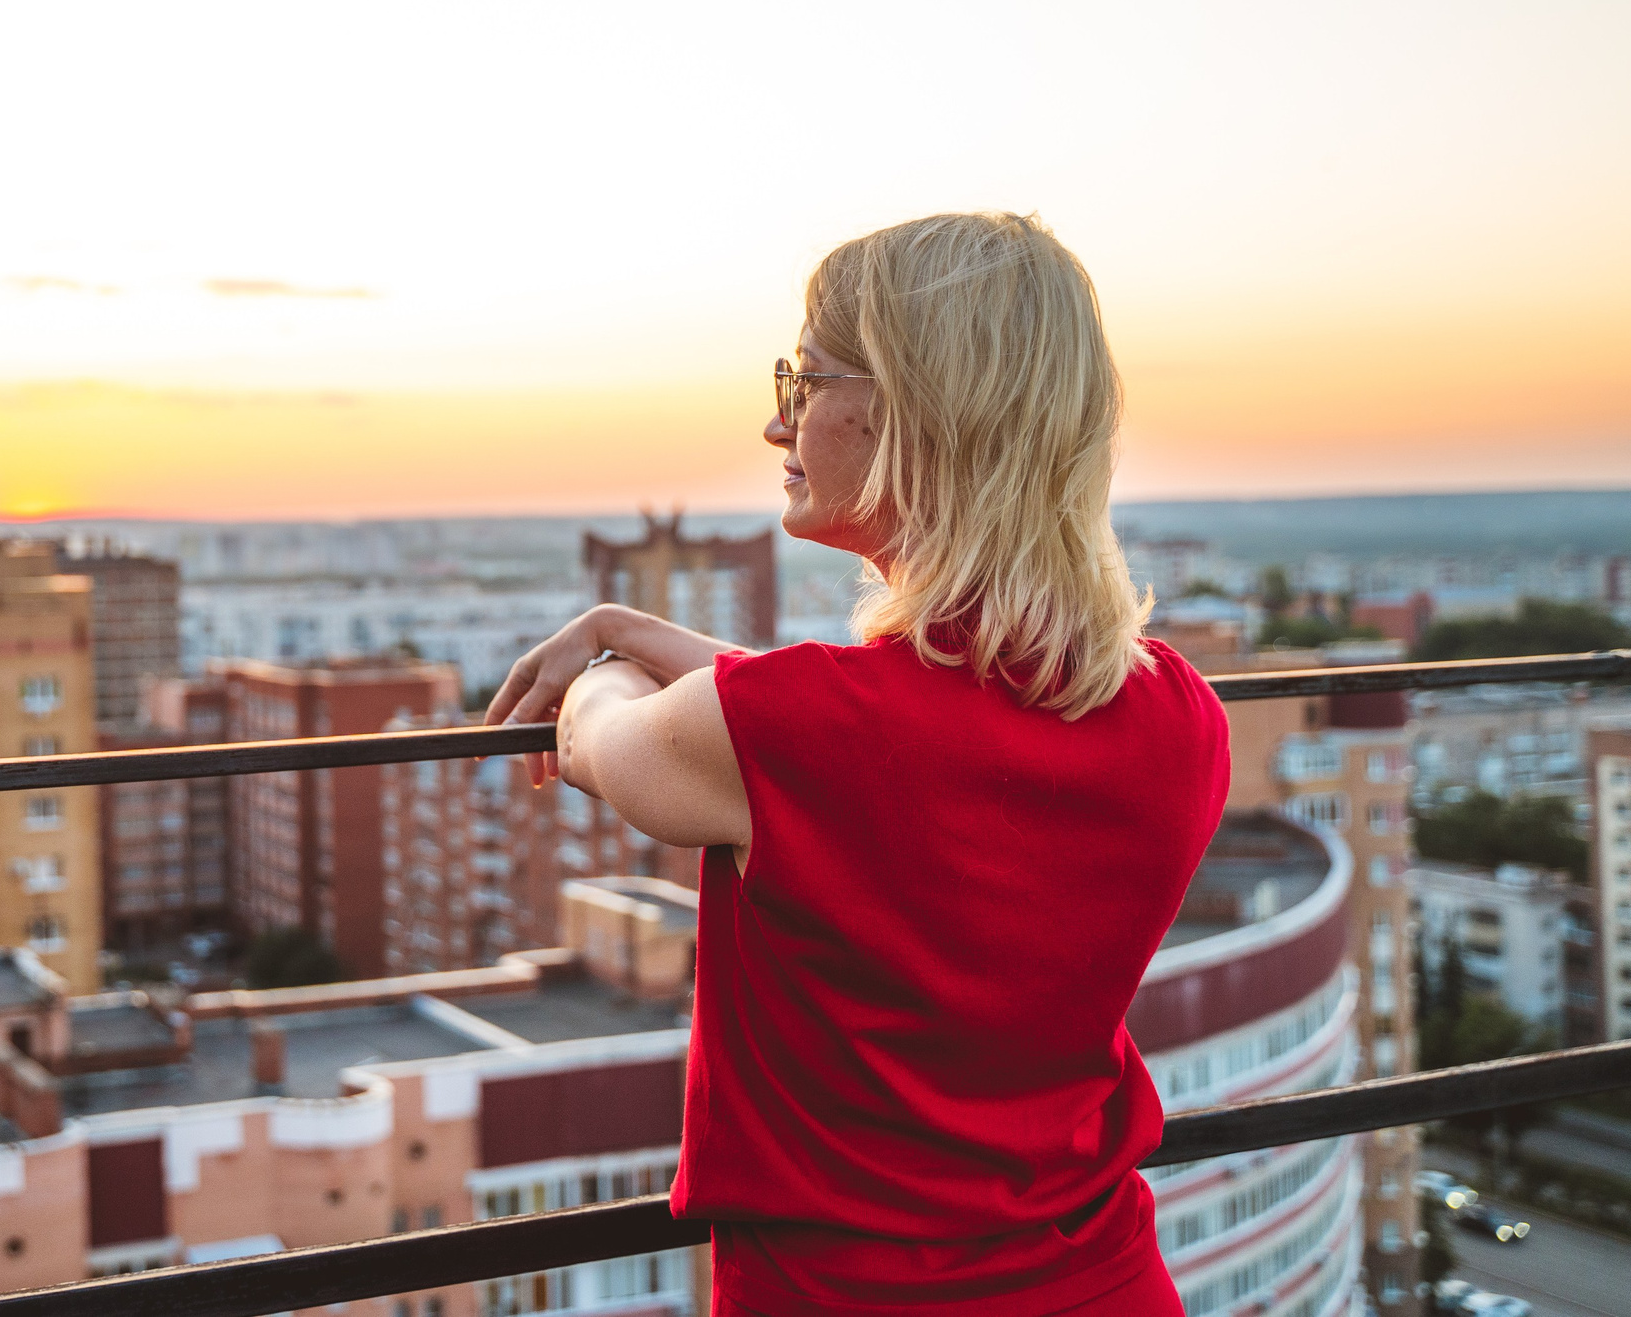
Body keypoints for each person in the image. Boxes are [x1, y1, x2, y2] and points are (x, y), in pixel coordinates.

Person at [485, 212, 1227, 1316]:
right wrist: (665, 643)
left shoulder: (801, 730)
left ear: (911, 410)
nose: (775, 420)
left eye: (804, 377)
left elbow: (608, 744)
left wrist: (599, 648)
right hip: (1105, 1282)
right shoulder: (1178, 713)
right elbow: (915, 737)